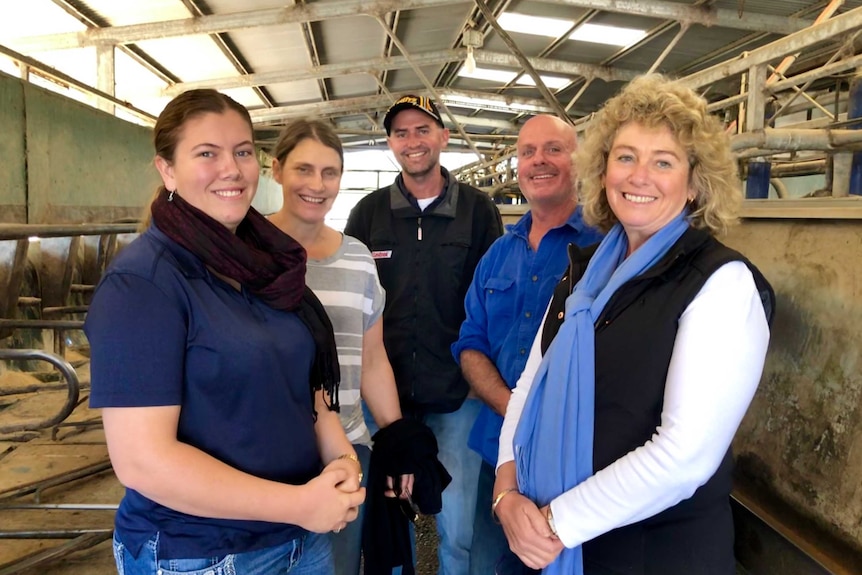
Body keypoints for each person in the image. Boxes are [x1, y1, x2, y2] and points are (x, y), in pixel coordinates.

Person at [493, 74, 775, 575]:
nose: (639, 176)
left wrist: (554, 524)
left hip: (650, 555)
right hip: (550, 538)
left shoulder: (721, 284)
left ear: (693, 184)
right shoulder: (584, 277)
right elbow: (530, 385)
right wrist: (505, 491)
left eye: (663, 162)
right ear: (603, 173)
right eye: (625, 157)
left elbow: (684, 456)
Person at [85, 89, 365, 575]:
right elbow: (142, 461)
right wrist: (299, 505)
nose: (231, 169)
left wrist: (341, 458)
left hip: (301, 540)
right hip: (202, 552)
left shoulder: (269, 265)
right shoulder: (144, 283)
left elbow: (306, 390)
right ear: (167, 169)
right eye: (206, 154)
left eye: (241, 151)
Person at [344, 94, 504, 574]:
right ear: (390, 142)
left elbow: (490, 302)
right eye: (401, 133)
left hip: (456, 396)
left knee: (455, 525)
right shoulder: (368, 214)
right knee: (387, 519)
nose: (412, 141)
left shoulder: (478, 212)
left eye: (422, 130)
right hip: (383, 399)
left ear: (443, 137)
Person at [452, 114, 603, 575]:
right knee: (486, 562)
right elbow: (470, 341)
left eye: (553, 149)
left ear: (578, 161)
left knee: (553, 562)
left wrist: (538, 420)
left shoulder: (603, 248)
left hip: (572, 457)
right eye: (528, 152)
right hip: (494, 446)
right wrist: (510, 408)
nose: (539, 160)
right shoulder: (499, 252)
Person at [267, 118, 412, 575]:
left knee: (340, 568)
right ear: (276, 171)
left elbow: (371, 359)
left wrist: (398, 439)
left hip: (346, 453)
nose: (317, 184)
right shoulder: (248, 254)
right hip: (265, 453)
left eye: (329, 172)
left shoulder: (358, 259)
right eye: (303, 170)